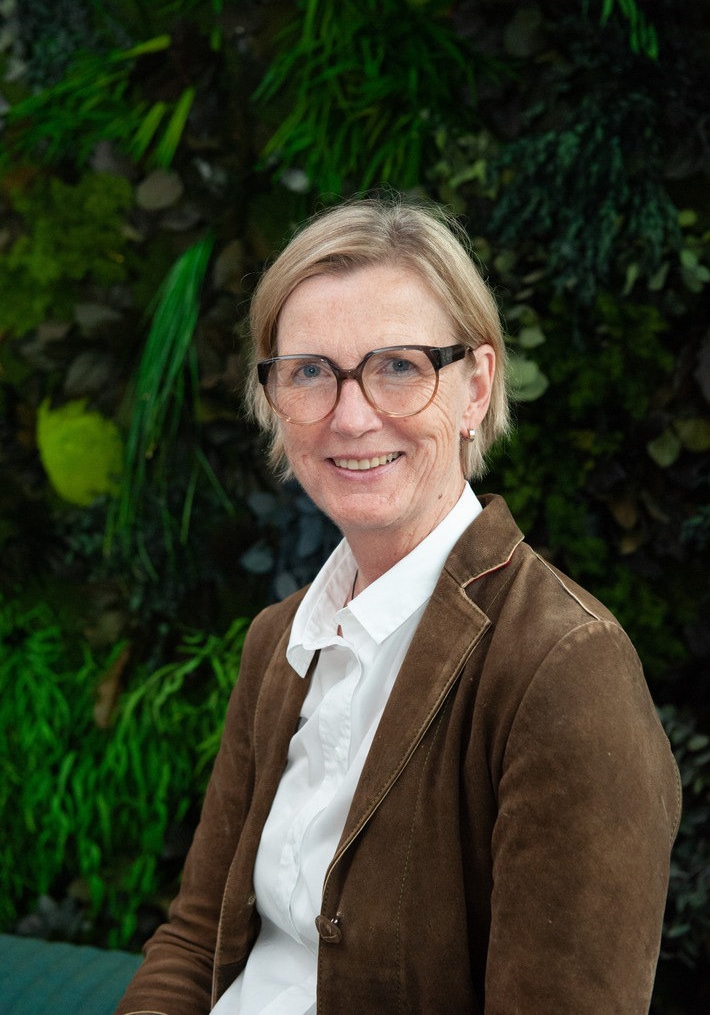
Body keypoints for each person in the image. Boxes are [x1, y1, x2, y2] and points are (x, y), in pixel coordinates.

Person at [115, 195, 680, 1015]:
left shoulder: (565, 666)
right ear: (274, 397)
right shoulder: (280, 639)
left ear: (475, 387)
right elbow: (198, 936)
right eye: (310, 371)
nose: (351, 417)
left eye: (400, 366)